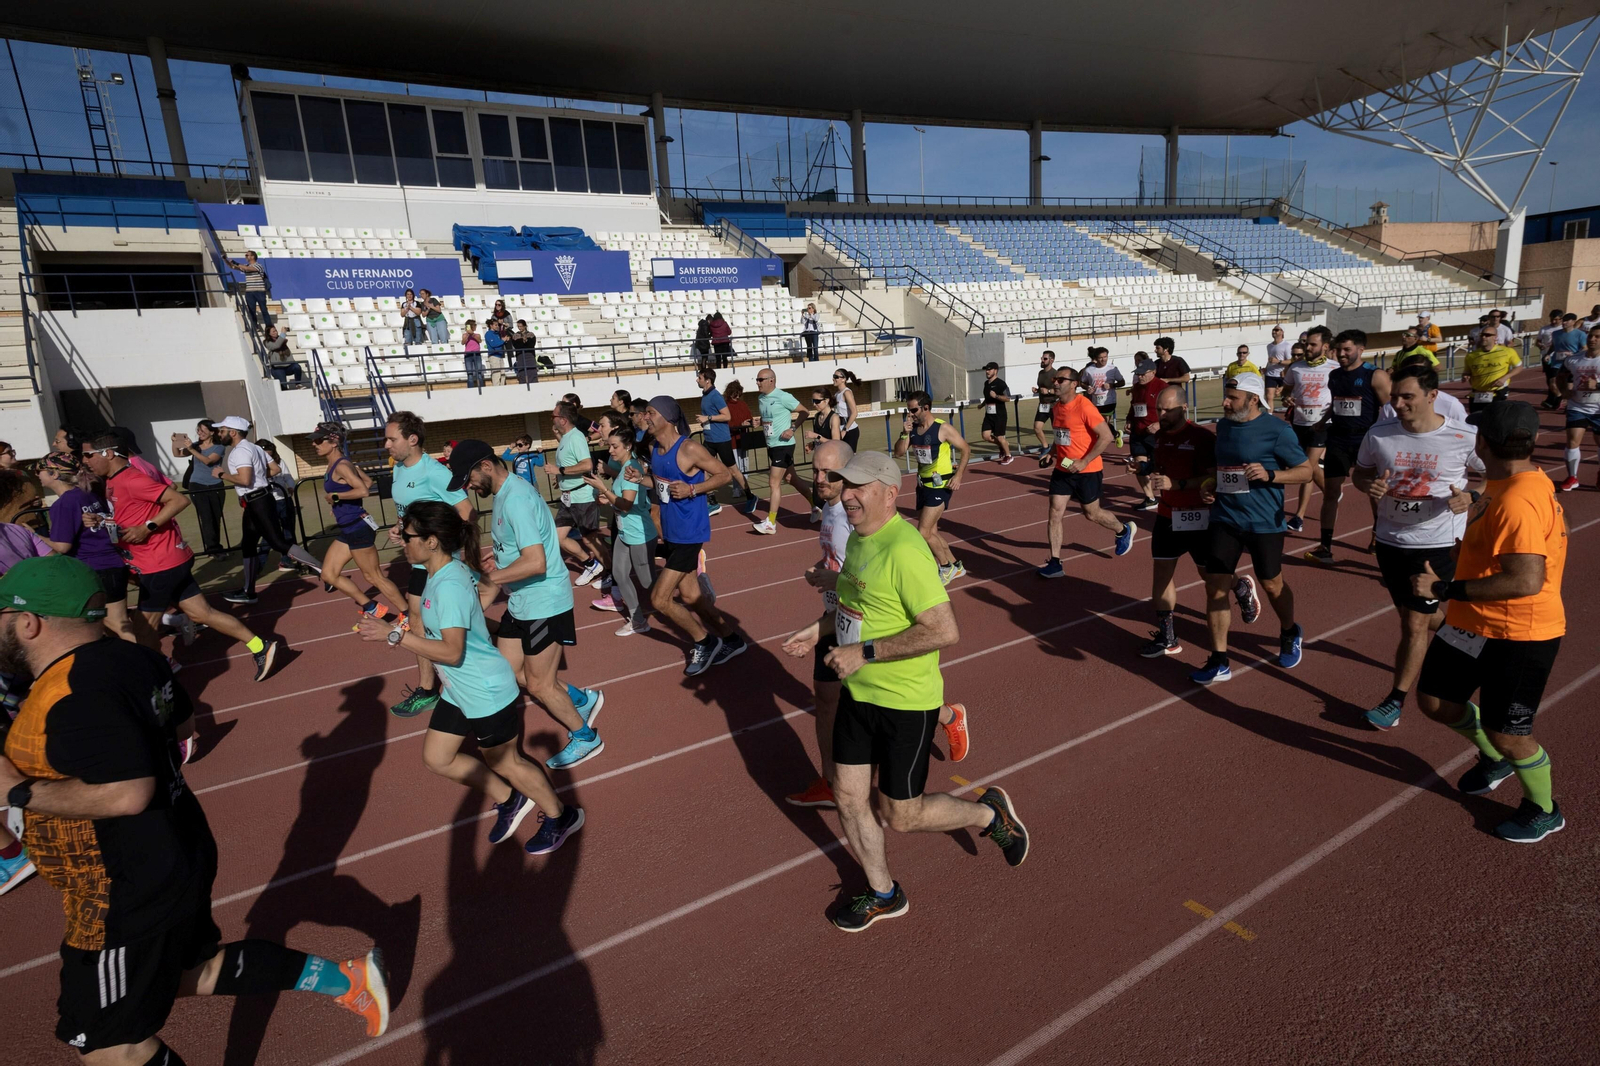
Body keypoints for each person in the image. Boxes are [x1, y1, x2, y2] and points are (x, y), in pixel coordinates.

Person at [1, 556, 390, 1062]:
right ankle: (346, 979)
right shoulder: (135, 657)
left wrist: (17, 791)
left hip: (122, 895)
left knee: (111, 1047)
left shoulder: (72, 694)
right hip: (174, 850)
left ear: (29, 622)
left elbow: (126, 794)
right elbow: (183, 731)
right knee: (192, 971)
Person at [779, 450, 1027, 932]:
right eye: (842, 484)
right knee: (849, 797)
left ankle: (987, 814)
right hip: (858, 695)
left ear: (890, 494)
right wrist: (819, 628)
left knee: (902, 815)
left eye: (857, 487)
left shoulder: (905, 550)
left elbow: (943, 630)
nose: (845, 494)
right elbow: (855, 606)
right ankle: (883, 893)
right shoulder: (859, 540)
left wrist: (865, 654)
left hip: (904, 704)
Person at [356, 502, 585, 854]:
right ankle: (510, 799)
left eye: (408, 536)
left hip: (485, 691)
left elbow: (451, 652)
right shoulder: (443, 571)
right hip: (460, 689)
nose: (402, 541)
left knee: (506, 761)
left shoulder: (447, 585)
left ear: (432, 542)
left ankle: (561, 815)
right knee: (438, 758)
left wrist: (395, 635)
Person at [1409, 402, 1568, 843]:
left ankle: (1543, 809)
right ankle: (1492, 759)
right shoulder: (1513, 485)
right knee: (1436, 701)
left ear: (1483, 443)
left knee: (1510, 734)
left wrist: (1443, 591)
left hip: (1520, 634)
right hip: (1472, 624)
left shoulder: (1517, 499)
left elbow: (1525, 580)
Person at [785, 440, 970, 810]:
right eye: (817, 471)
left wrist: (859, 642)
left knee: (900, 807)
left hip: (869, 634)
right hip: (839, 621)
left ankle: (945, 714)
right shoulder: (842, 516)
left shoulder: (868, 525)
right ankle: (834, 781)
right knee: (827, 699)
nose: (822, 480)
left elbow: (939, 626)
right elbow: (855, 578)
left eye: (831, 473)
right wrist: (828, 596)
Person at [450, 440, 604, 770]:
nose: (470, 487)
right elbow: (529, 547)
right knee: (509, 669)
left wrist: (496, 577)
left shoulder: (516, 499)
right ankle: (581, 698)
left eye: (470, 479)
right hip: (523, 601)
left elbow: (536, 563)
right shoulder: (508, 495)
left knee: (539, 684)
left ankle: (586, 737)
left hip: (544, 602)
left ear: (486, 466)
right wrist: (502, 559)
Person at [81, 432, 282, 681]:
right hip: (163, 561)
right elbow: (128, 516)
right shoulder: (112, 482)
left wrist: (148, 527)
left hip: (159, 564)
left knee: (143, 633)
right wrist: (103, 520)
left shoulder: (132, 479)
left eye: (88, 454)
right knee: (202, 614)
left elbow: (177, 499)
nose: (85, 460)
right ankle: (260, 646)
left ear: (108, 453)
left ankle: (156, 685)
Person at [1353, 364, 1483, 729]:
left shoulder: (1463, 436)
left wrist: (1471, 496)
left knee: (1413, 623)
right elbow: (1360, 473)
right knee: (1417, 616)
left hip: (1439, 543)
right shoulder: (1379, 434)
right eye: (1394, 396)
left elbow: (1492, 477)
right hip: (1392, 542)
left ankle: (1394, 702)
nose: (1398, 403)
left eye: (1407, 396)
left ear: (1431, 396)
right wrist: (1369, 486)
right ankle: (1470, 639)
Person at [1190, 373, 1313, 685]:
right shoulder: (1226, 425)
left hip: (1264, 522)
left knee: (1272, 585)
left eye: (1232, 397)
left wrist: (1271, 475)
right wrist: (1209, 484)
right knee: (1215, 586)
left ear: (1254, 399)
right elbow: (1223, 469)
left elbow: (1305, 471)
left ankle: (1289, 630)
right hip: (1225, 518)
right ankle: (1219, 660)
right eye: (1225, 395)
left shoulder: (1277, 431)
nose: (1225, 402)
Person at [634, 395, 745, 675]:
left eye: (649, 412)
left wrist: (693, 489)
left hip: (690, 534)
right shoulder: (657, 451)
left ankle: (705, 641)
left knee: (660, 600)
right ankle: (732, 640)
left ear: (667, 418)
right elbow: (662, 485)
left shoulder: (690, 449)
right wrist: (642, 480)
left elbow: (724, 475)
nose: (645, 418)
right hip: (672, 534)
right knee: (693, 598)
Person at [1133, 385, 1239, 657]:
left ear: (1183, 408)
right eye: (1160, 410)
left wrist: (1177, 484)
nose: (1162, 415)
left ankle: (1240, 585)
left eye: (1168, 410)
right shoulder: (1159, 437)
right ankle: (1168, 637)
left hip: (1199, 518)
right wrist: (1144, 468)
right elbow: (1161, 468)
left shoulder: (1201, 438)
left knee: (1209, 577)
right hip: (1167, 515)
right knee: (1161, 576)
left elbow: (1213, 477)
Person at [383, 410, 474, 719]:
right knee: (419, 617)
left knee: (450, 623)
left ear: (412, 439)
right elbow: (408, 511)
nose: (387, 445)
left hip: (442, 562)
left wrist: (440, 544)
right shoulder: (398, 470)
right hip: (420, 560)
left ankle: (496, 662)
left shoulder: (434, 471)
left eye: (391, 439)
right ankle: (427, 689)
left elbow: (466, 512)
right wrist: (402, 528)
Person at [206, 417, 322, 605]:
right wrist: (258, 477)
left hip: (258, 500)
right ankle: (248, 591)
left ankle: (322, 569)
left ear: (233, 432)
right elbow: (275, 469)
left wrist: (221, 474)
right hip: (257, 500)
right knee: (249, 545)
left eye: (222, 430)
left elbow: (244, 480)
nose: (220, 434)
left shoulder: (240, 451)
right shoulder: (255, 448)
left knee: (277, 542)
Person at [1035, 366, 1135, 577]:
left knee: (1092, 514)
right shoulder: (1056, 408)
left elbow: (1106, 436)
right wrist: (1051, 452)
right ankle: (1055, 563)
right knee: (1055, 512)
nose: (1055, 382)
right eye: (1054, 378)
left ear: (1074, 384)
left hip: (1087, 470)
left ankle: (1123, 530)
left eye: (1060, 379)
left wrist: (1084, 460)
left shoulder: (1084, 406)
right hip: (1062, 469)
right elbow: (1062, 435)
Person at [1304, 328, 1390, 563]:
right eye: (1338, 350)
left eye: (1346, 350)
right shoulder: (1334, 376)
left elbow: (1390, 409)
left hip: (1365, 440)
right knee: (1331, 493)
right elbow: (1337, 403)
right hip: (1338, 439)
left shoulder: (1376, 375)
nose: (1341, 354)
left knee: (1372, 490)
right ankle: (1325, 546)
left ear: (1360, 350)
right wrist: (1322, 422)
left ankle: (1378, 536)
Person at [310, 422, 407, 623]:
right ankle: (371, 607)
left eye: (319, 440)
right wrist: (339, 503)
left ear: (334, 442)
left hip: (357, 527)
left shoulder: (342, 466)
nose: (314, 444)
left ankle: (408, 614)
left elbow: (364, 491)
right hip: (348, 528)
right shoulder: (341, 463)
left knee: (374, 577)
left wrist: (336, 497)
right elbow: (367, 482)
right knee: (328, 574)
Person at [39, 453, 137, 643]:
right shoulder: (87, 493)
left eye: (39, 470)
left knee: (116, 624)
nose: (37, 475)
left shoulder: (64, 503)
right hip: (113, 564)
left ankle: (148, 664)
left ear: (54, 474)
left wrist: (32, 535)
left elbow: (62, 546)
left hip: (96, 568)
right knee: (111, 625)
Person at [893, 390, 971, 585]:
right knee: (932, 532)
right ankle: (956, 565)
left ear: (926, 408)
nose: (910, 414)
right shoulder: (912, 429)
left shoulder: (942, 428)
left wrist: (959, 475)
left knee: (923, 533)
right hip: (922, 486)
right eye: (908, 410)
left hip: (940, 486)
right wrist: (904, 432)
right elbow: (899, 453)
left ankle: (945, 567)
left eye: (913, 410)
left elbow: (965, 448)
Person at [587, 425, 657, 636]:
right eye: (609, 446)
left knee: (647, 582)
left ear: (627, 446)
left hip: (640, 534)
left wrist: (604, 490)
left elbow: (626, 504)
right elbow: (620, 503)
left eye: (614, 446)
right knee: (620, 574)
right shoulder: (623, 468)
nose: (610, 451)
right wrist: (607, 499)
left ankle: (690, 576)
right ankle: (638, 620)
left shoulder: (630, 469)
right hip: (625, 533)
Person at [1283, 324, 1336, 534]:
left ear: (1324, 346)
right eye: (1306, 344)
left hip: (1322, 424)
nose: (1308, 348)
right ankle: (1331, 492)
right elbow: (1286, 390)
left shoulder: (1334, 368)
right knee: (1310, 468)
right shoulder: (1296, 368)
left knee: (1305, 468)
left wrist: (1329, 418)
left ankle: (1299, 517)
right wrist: (1286, 397)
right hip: (1299, 422)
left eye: (1313, 344)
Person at [552, 401, 607, 586]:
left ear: (563, 419)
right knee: (558, 536)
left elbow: (586, 465)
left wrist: (560, 471)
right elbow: (568, 465)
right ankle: (591, 564)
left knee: (590, 539)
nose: (552, 419)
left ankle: (612, 572)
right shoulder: (565, 438)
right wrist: (559, 477)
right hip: (568, 497)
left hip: (581, 496)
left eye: (554, 416)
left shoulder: (576, 437)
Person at [752, 367, 811, 535]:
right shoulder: (761, 398)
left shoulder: (784, 396)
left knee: (773, 482)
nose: (757, 383)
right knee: (792, 478)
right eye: (757, 380)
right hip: (772, 445)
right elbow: (769, 418)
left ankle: (771, 522)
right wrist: (760, 421)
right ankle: (817, 505)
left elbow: (805, 412)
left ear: (771, 380)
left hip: (784, 445)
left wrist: (792, 428)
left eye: (760, 379)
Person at [693, 367, 753, 509]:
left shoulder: (715, 396)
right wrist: (705, 422)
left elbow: (727, 416)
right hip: (710, 440)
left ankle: (750, 496)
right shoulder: (705, 395)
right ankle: (712, 501)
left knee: (733, 471)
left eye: (699, 378)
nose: (697, 380)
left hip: (721, 440)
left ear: (708, 381)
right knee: (701, 468)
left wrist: (707, 418)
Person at [1555, 325, 1600, 491]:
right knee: (1572, 441)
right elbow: (1560, 376)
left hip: (1598, 409)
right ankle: (1572, 477)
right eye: (1590, 336)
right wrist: (1564, 391)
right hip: (1578, 406)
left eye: (1597, 337)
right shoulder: (1574, 359)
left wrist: (1598, 385)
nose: (1592, 339)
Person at [172, 420, 226, 555]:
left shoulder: (219, 447)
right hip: (197, 485)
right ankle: (213, 548)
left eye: (203, 430)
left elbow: (208, 461)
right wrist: (174, 442)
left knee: (215, 517)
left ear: (212, 432)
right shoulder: (195, 446)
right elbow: (177, 454)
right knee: (206, 517)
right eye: (198, 430)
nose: (199, 433)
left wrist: (191, 449)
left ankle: (214, 545)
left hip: (216, 485)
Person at [1125, 356, 1165, 510]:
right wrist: (1129, 419)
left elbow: (1175, 411)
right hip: (1138, 432)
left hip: (1156, 434)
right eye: (1138, 373)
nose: (1139, 376)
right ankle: (1150, 497)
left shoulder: (1162, 387)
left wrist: (1159, 424)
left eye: (1143, 374)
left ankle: (1168, 496)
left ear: (1153, 372)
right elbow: (1134, 405)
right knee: (1138, 465)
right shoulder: (1136, 387)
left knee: (1159, 467)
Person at [1463, 327, 1521, 411]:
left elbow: (1519, 367)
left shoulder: (1507, 351)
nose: (1484, 337)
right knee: (1476, 420)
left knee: (1495, 420)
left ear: (1495, 337)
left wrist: (1505, 378)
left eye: (1487, 335)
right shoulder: (1471, 355)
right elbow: (1467, 371)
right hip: (1477, 394)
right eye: (1482, 335)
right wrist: (1465, 375)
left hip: (1497, 392)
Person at [1080, 347, 1127, 448]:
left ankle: (1100, 443)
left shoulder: (1112, 369)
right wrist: (1088, 387)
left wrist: (1112, 385)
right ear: (1096, 358)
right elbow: (1082, 383)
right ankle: (1115, 434)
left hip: (1109, 400)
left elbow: (1122, 382)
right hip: (1095, 400)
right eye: (1100, 358)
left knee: (1103, 422)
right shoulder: (1089, 370)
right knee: (1098, 423)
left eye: (1105, 357)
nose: (1103, 359)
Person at [1547, 312, 1588, 413]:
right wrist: (1548, 354)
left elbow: (1584, 348)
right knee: (1552, 383)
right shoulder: (1556, 333)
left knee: (1569, 386)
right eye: (1563, 320)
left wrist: (1574, 355)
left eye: (1566, 321)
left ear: (1573, 322)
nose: (1564, 322)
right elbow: (1553, 346)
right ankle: (1560, 397)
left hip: (1571, 363)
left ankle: (1569, 405)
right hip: (1557, 362)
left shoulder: (1580, 334)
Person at [977, 361, 1015, 464]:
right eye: (986, 370)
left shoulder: (1001, 384)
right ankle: (1002, 446)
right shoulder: (986, 383)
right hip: (989, 415)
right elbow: (987, 397)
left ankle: (1008, 456)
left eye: (989, 369)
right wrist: (982, 404)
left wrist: (996, 396)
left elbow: (1008, 398)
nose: (987, 371)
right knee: (985, 436)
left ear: (995, 371)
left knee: (1000, 437)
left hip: (999, 415)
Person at [226, 249, 271, 331]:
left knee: (264, 309)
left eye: (247, 255)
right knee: (251, 310)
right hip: (249, 292)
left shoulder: (258, 265)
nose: (246, 256)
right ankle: (255, 326)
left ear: (253, 256)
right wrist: (225, 260)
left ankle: (269, 327)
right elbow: (232, 267)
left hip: (259, 291)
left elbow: (248, 269)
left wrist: (236, 263)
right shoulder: (246, 266)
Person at [724, 380, 758, 482]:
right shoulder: (725, 406)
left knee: (745, 465)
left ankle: (745, 486)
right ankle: (737, 489)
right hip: (733, 440)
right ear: (730, 393)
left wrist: (752, 422)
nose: (737, 397)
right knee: (736, 467)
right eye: (735, 395)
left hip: (744, 439)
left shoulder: (743, 404)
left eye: (739, 394)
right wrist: (740, 425)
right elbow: (727, 424)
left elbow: (748, 417)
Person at [1535, 308, 1565, 409]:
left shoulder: (1563, 329)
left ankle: (1557, 399)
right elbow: (1537, 341)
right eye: (1552, 319)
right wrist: (1540, 345)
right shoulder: (1544, 329)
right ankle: (1552, 399)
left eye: (1556, 319)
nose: (1553, 321)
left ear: (1561, 319)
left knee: (1554, 379)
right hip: (1546, 357)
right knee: (1549, 379)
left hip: (1558, 358)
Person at [1031, 350, 1058, 453]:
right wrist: (1037, 390)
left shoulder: (1055, 374)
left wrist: (1049, 391)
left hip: (1054, 405)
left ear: (1051, 360)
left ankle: (1059, 449)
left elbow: (1060, 390)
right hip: (1043, 405)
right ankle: (1046, 447)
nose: (1042, 360)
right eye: (1041, 358)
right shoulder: (1041, 373)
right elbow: (1042, 388)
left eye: (1045, 359)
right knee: (1037, 428)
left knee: (1057, 430)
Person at [833, 367, 862, 451]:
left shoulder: (847, 392)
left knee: (850, 458)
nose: (833, 379)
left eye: (836, 377)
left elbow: (854, 413)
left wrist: (845, 430)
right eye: (833, 376)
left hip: (850, 430)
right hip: (839, 429)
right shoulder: (836, 394)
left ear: (843, 379)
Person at [1264, 326, 1292, 411]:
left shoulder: (1286, 346)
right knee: (1269, 396)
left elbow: (1290, 361)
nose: (1274, 332)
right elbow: (1270, 359)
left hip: (1282, 375)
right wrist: (1266, 368)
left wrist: (1278, 362)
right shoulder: (1269, 346)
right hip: (1270, 374)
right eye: (1273, 330)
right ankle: (1269, 417)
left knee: (1287, 398)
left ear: (1282, 332)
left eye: (1276, 330)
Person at [461, 319, 484, 389]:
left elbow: (479, 341)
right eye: (475, 325)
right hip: (468, 355)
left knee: (479, 373)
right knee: (470, 374)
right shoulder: (464, 335)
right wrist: (468, 335)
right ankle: (471, 389)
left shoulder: (477, 335)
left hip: (476, 354)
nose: (476, 326)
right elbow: (463, 342)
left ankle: (481, 388)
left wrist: (472, 334)